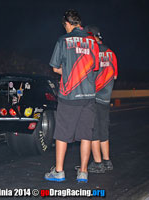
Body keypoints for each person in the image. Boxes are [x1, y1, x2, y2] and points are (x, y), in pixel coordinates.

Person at [44, 9, 99, 183]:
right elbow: (94, 68)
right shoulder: (92, 41)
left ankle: (59, 171)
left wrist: (67, 72)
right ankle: (83, 172)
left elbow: (55, 68)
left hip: (69, 95)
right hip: (89, 95)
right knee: (86, 135)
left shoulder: (63, 40)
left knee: (62, 134)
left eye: (65, 26)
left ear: (67, 24)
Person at [84, 26, 118, 173]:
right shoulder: (111, 53)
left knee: (93, 132)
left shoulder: (92, 52)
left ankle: (98, 164)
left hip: (93, 97)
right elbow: (115, 76)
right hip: (106, 98)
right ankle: (107, 160)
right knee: (104, 130)